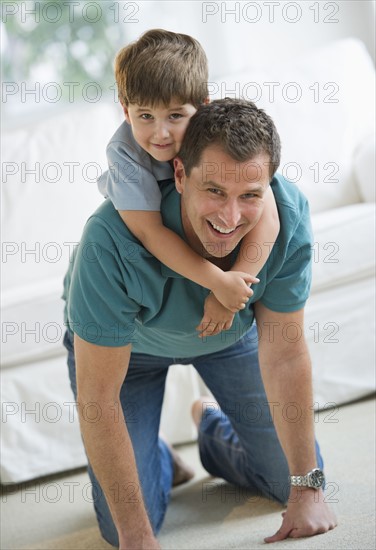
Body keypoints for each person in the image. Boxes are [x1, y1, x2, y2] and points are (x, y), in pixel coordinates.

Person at [63, 98, 337, 549]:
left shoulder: (287, 216)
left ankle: (208, 424)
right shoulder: (109, 239)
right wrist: (137, 539)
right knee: (122, 528)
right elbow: (99, 398)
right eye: (214, 191)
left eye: (250, 196)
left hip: (227, 339)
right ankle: (156, 458)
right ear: (179, 175)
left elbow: (285, 354)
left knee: (284, 478)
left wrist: (307, 490)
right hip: (129, 354)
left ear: (268, 189)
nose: (229, 219)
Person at [97, 29, 280, 337]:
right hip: (145, 250)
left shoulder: (220, 131)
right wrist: (218, 283)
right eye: (145, 116)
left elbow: (269, 217)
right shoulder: (125, 152)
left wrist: (233, 286)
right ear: (126, 111)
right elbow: (150, 233)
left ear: (203, 106)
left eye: (175, 115)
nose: (161, 133)